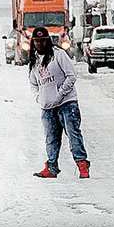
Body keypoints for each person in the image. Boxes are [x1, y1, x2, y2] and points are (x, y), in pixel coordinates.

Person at [28, 27, 91, 178]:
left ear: (47, 40)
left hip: (67, 104)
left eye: (42, 41)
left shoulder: (59, 55)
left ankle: (82, 165)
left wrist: (60, 94)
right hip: (47, 108)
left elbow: (71, 76)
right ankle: (51, 167)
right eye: (36, 41)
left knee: (73, 134)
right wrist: (40, 98)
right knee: (51, 139)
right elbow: (33, 84)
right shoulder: (34, 61)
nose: (39, 44)